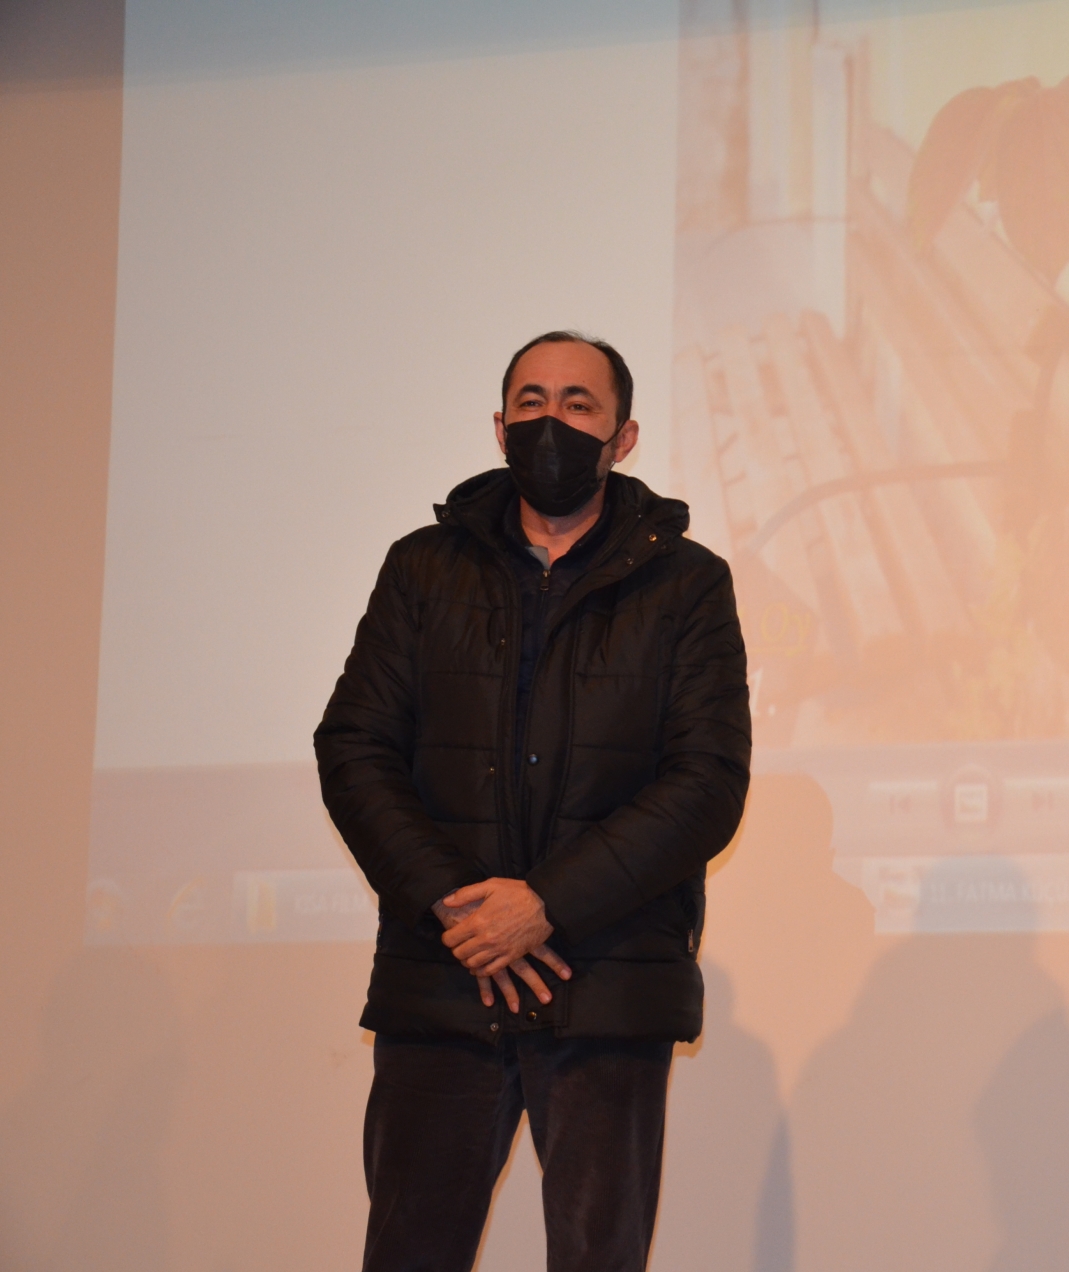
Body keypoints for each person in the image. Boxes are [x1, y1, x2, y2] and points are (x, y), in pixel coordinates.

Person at [315, 330, 752, 1272]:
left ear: (623, 437)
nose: (551, 422)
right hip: (444, 977)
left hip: (606, 985)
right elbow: (354, 748)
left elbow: (707, 781)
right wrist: (458, 904)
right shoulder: (422, 568)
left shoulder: (686, 584)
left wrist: (545, 904)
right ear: (500, 425)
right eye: (531, 402)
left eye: (578, 404)